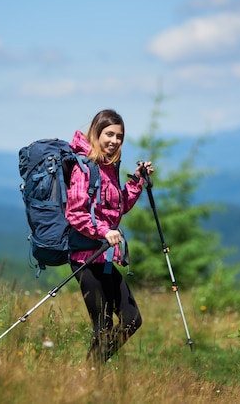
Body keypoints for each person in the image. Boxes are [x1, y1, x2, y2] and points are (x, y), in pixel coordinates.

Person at [65, 108, 154, 365]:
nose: (114, 140)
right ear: (96, 132)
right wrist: (104, 230)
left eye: (120, 136)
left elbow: (119, 206)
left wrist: (137, 181)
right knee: (102, 325)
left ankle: (91, 371)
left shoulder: (108, 167)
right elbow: (75, 212)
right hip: (85, 259)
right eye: (110, 134)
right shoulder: (85, 167)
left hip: (103, 258)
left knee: (132, 319)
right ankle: (91, 377)